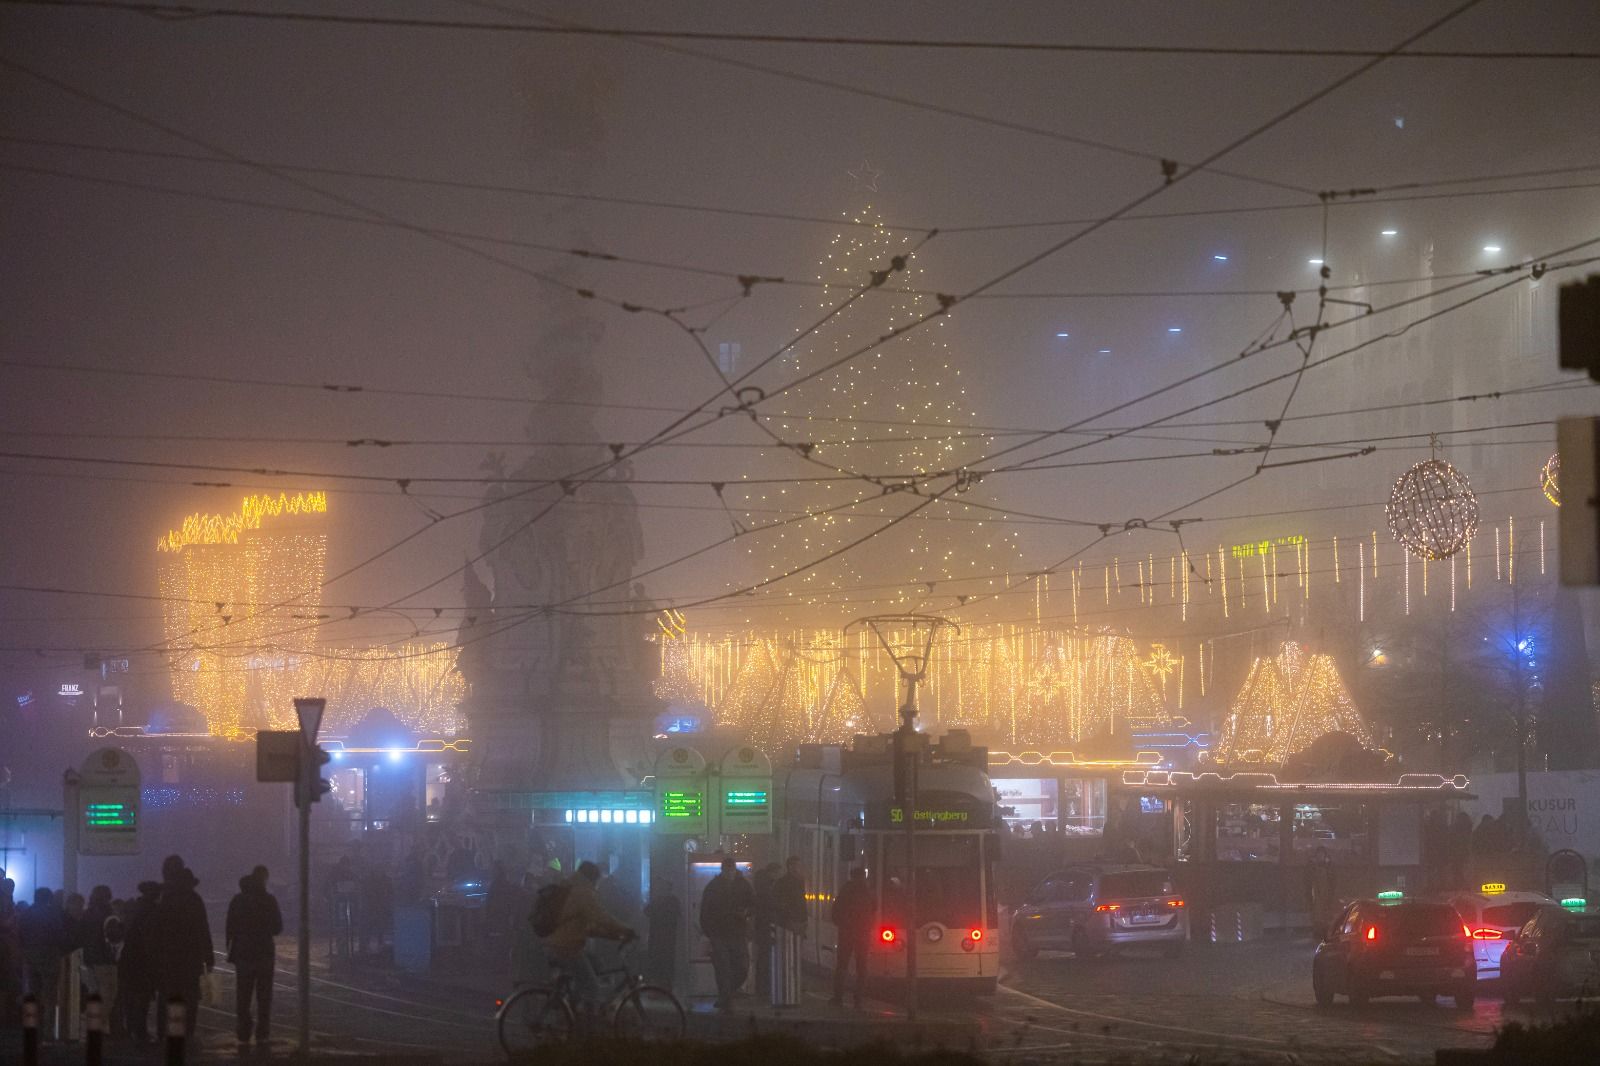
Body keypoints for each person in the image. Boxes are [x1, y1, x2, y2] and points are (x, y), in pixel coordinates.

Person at [539, 860, 634, 1015]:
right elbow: (602, 917)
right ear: (592, 878)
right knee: (593, 988)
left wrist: (613, 935)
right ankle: (586, 1028)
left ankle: (576, 1006)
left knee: (597, 965)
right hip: (566, 947)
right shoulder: (582, 893)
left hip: (560, 943)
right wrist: (626, 930)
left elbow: (587, 926)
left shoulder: (570, 888)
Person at [154, 855, 214, 1038]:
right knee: (189, 998)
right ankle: (186, 1035)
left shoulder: (162, 898)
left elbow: (155, 929)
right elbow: (203, 929)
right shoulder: (193, 899)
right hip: (190, 957)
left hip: (167, 957)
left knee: (166, 996)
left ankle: (165, 1034)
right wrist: (208, 957)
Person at [225, 866, 282, 1047]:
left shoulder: (238, 900)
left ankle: (244, 1030)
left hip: (243, 953)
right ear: (264, 879)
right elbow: (277, 927)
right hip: (264, 952)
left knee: (243, 994)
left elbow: (230, 926)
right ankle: (262, 1032)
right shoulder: (269, 900)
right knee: (264, 997)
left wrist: (232, 945)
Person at [699, 857, 754, 1010]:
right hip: (720, 933)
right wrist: (709, 932)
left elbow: (753, 903)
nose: (730, 873)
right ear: (723, 870)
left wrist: (746, 912)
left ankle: (726, 993)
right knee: (723, 967)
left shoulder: (738, 885)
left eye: (732, 870)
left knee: (741, 967)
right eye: (728, 870)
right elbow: (705, 911)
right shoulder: (714, 886)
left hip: (736, 932)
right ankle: (726, 997)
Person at [17, 887, 68, 1038]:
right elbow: (59, 935)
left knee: (32, 994)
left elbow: (21, 934)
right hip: (49, 957)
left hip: (31, 957)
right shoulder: (52, 914)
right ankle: (48, 1031)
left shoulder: (27, 914)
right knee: (49, 995)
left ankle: (31, 1027)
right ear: (49, 899)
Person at [118, 881, 162, 1041]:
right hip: (144, 958)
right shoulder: (154, 911)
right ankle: (140, 1031)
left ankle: (130, 1029)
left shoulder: (132, 908)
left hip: (128, 957)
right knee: (143, 997)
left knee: (129, 995)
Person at [830, 866, 874, 1009]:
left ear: (851, 876)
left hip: (846, 933)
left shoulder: (846, 890)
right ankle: (858, 999)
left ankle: (838, 997)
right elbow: (874, 908)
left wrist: (841, 924)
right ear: (863, 876)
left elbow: (836, 910)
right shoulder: (868, 891)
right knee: (862, 967)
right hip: (863, 933)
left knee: (842, 965)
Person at [642, 881, 680, 991]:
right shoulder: (674, 901)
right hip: (669, 938)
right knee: (667, 962)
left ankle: (658, 987)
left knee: (657, 962)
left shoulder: (657, 901)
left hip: (657, 937)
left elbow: (646, 911)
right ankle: (667, 987)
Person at [751, 861, 780, 997]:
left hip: (761, 926)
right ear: (772, 872)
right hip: (765, 926)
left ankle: (761, 987)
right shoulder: (766, 888)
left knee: (763, 957)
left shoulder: (760, 885)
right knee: (765, 958)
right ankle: (764, 988)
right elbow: (769, 906)